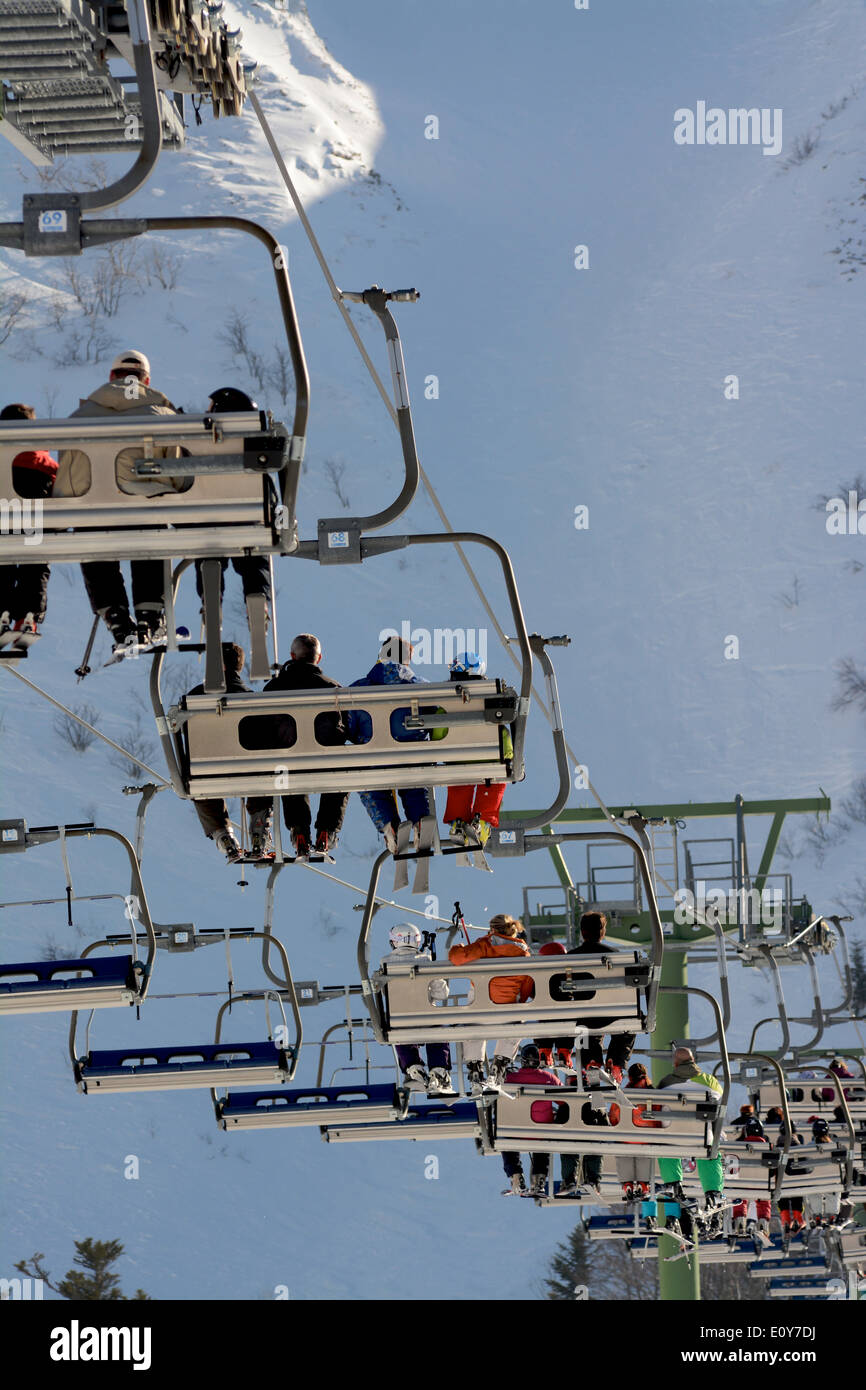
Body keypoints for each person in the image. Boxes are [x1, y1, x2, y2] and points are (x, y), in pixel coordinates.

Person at [53, 350, 186, 649]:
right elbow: (177, 474)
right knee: (152, 527)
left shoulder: (79, 418)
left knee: (91, 536)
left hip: (94, 512)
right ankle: (150, 616)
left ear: (111, 377)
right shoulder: (163, 414)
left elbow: (69, 477)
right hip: (143, 510)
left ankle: (115, 616)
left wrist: (63, 516)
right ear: (146, 380)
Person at [245, 633, 348, 859]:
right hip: (326, 760)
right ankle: (326, 831)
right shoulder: (333, 688)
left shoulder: (274, 688)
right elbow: (347, 724)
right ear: (318, 658)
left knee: (286, 771)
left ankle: (299, 831)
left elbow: (262, 727)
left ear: (292, 656)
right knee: (339, 775)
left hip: (288, 761)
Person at [345, 636, 434, 853]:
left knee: (370, 783)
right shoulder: (423, 687)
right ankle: (420, 820)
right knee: (414, 779)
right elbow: (436, 723)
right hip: (413, 759)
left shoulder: (358, 688)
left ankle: (388, 826)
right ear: (407, 660)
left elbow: (349, 727)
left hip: (375, 760)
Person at [193, 387, 271, 618]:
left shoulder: (201, 446)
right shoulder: (256, 444)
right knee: (255, 558)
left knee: (208, 550)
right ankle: (258, 598)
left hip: (209, 523)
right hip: (249, 521)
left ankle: (211, 594)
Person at [447, 913, 533, 1093]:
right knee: (519, 1020)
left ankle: (475, 1069)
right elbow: (526, 987)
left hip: (479, 1010)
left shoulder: (484, 945)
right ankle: (499, 1066)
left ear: (493, 930)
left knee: (472, 1022)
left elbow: (455, 957)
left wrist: (460, 946)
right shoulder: (523, 952)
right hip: (508, 1012)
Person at [436, 651, 511, 847]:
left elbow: (438, 733)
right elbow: (502, 732)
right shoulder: (493, 695)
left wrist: (441, 751)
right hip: (491, 760)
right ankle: (483, 822)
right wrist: (509, 756)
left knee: (459, 782)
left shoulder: (443, 698)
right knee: (495, 782)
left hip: (456, 761)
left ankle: (458, 822)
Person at [186, 642, 251, 861]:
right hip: (251, 769)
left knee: (201, 777)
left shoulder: (195, 697)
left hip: (210, 770)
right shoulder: (251, 697)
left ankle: (222, 832)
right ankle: (261, 825)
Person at [0, 402, 56, 645]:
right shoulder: (45, 463)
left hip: (3, 520)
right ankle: (28, 616)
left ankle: (1, 613)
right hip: (35, 523)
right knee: (36, 563)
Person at [656, 1046, 725, 1234]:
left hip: (673, 1139)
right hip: (701, 1138)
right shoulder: (710, 1082)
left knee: (665, 1149)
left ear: (675, 1063)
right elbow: (719, 1104)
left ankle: (674, 1182)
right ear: (694, 1061)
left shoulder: (665, 1083)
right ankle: (712, 1192)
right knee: (711, 1153)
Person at [381, 923, 454, 1097]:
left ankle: (413, 1067)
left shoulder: (385, 964)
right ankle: (438, 1071)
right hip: (426, 1018)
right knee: (438, 1034)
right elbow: (442, 993)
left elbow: (384, 992)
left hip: (399, 1020)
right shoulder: (425, 961)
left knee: (400, 1033)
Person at [568, 911, 636, 1084]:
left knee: (585, 1029)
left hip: (583, 1017)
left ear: (582, 932)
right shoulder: (618, 956)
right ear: (603, 932)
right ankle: (617, 1063)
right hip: (612, 1014)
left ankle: (592, 1062)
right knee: (625, 1030)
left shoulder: (569, 958)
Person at [500, 1044, 563, 1196]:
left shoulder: (509, 1079)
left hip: (516, 1131)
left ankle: (516, 1176)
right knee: (544, 1140)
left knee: (506, 1137)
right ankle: (539, 1181)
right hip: (541, 1131)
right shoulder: (548, 1079)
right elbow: (564, 1101)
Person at [614, 1061, 663, 1201]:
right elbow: (659, 1114)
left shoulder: (622, 1094)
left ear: (630, 1078)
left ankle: (627, 1184)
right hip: (647, 1138)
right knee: (645, 1151)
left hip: (626, 1139)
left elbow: (613, 1116)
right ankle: (643, 1184)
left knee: (623, 1149)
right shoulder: (653, 1093)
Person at [729, 1106, 771, 1241]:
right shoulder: (769, 1149)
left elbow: (731, 1172)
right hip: (762, 1186)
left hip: (741, 1185)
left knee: (739, 1194)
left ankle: (740, 1217)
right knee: (764, 1200)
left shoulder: (736, 1148)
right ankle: (763, 1219)